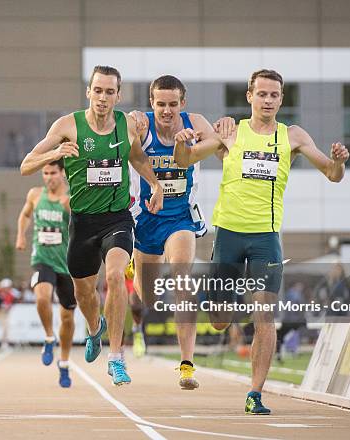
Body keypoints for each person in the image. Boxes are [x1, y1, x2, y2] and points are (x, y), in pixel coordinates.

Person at [184, 69, 350, 414]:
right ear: (250, 97)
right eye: (262, 94)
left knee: (265, 315)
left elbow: (332, 175)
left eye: (274, 95)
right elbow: (185, 160)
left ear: (281, 99)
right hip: (228, 234)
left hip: (266, 238)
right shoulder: (230, 132)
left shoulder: (293, 136)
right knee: (218, 319)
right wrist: (182, 144)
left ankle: (255, 394)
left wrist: (338, 162)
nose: (268, 100)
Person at [20, 65, 163, 385]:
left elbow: (137, 157)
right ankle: (95, 328)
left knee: (114, 276)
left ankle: (116, 357)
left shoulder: (126, 125)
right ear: (89, 92)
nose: (102, 97)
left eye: (109, 92)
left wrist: (154, 184)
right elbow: (25, 165)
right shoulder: (67, 125)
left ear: (118, 95)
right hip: (82, 224)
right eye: (97, 90)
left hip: (118, 219)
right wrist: (55, 152)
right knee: (84, 295)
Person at [129, 75, 232, 390]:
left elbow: (223, 149)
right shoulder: (141, 125)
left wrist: (225, 128)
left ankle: (186, 365)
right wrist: (131, 123)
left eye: (173, 104)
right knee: (147, 297)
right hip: (147, 218)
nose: (167, 111)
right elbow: (122, 130)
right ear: (152, 103)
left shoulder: (196, 122)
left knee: (182, 279)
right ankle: (136, 275)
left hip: (181, 218)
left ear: (182, 104)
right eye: (160, 104)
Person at [15, 159, 75, 387]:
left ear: (62, 174)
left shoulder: (70, 198)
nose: (49, 177)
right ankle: (49, 337)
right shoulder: (35, 194)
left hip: (67, 263)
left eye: (53, 173)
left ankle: (65, 362)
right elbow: (25, 214)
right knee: (41, 298)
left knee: (67, 317)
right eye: (45, 173)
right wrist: (21, 235)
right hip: (42, 259)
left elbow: (83, 225)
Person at [0, 279, 18, 350]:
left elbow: (11, 303)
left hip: (5, 313)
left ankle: (4, 343)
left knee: (6, 328)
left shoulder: (11, 294)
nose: (7, 288)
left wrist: (7, 307)